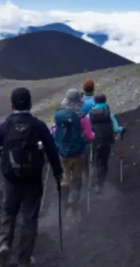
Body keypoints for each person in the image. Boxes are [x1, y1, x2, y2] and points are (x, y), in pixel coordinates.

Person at [0, 87, 63, 267]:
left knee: (8, 213)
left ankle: (4, 245)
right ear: (30, 104)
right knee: (29, 219)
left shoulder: (5, 127)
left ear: (12, 106)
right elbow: (51, 150)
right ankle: (24, 260)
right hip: (33, 180)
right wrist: (58, 172)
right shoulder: (38, 126)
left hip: (11, 179)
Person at [52, 89, 95, 223]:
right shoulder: (82, 118)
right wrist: (93, 136)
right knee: (77, 177)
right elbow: (89, 136)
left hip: (63, 153)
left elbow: (54, 133)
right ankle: (74, 205)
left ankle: (65, 205)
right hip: (78, 153)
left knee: (65, 177)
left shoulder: (59, 117)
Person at [86, 93, 124, 194]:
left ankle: (93, 179)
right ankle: (100, 183)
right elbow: (116, 129)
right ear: (105, 101)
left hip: (95, 141)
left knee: (95, 159)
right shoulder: (108, 113)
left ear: (95, 101)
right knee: (104, 161)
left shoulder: (90, 114)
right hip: (107, 141)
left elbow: (87, 129)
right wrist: (122, 129)